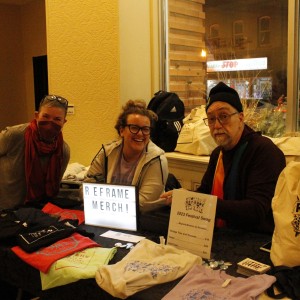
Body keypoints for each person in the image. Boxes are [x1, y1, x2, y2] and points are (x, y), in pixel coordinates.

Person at [161, 82, 286, 233]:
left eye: (224, 116)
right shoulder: (218, 154)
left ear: (240, 118)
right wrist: (182, 197)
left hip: (255, 240)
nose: (217, 125)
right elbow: (205, 193)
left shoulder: (264, 151)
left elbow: (256, 210)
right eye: (211, 119)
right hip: (219, 235)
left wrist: (201, 202)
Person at [84, 99, 169, 213]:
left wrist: (102, 199)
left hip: (141, 221)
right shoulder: (107, 152)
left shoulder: (157, 159)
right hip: (105, 215)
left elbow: (143, 204)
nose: (140, 134)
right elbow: (86, 190)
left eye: (145, 129)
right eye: (134, 127)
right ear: (121, 130)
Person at [0, 95, 70, 210]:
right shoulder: (14, 136)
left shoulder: (63, 151)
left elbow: (54, 186)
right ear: (37, 116)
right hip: (5, 212)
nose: (50, 123)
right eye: (46, 116)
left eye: (57, 119)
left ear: (64, 122)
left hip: (37, 212)